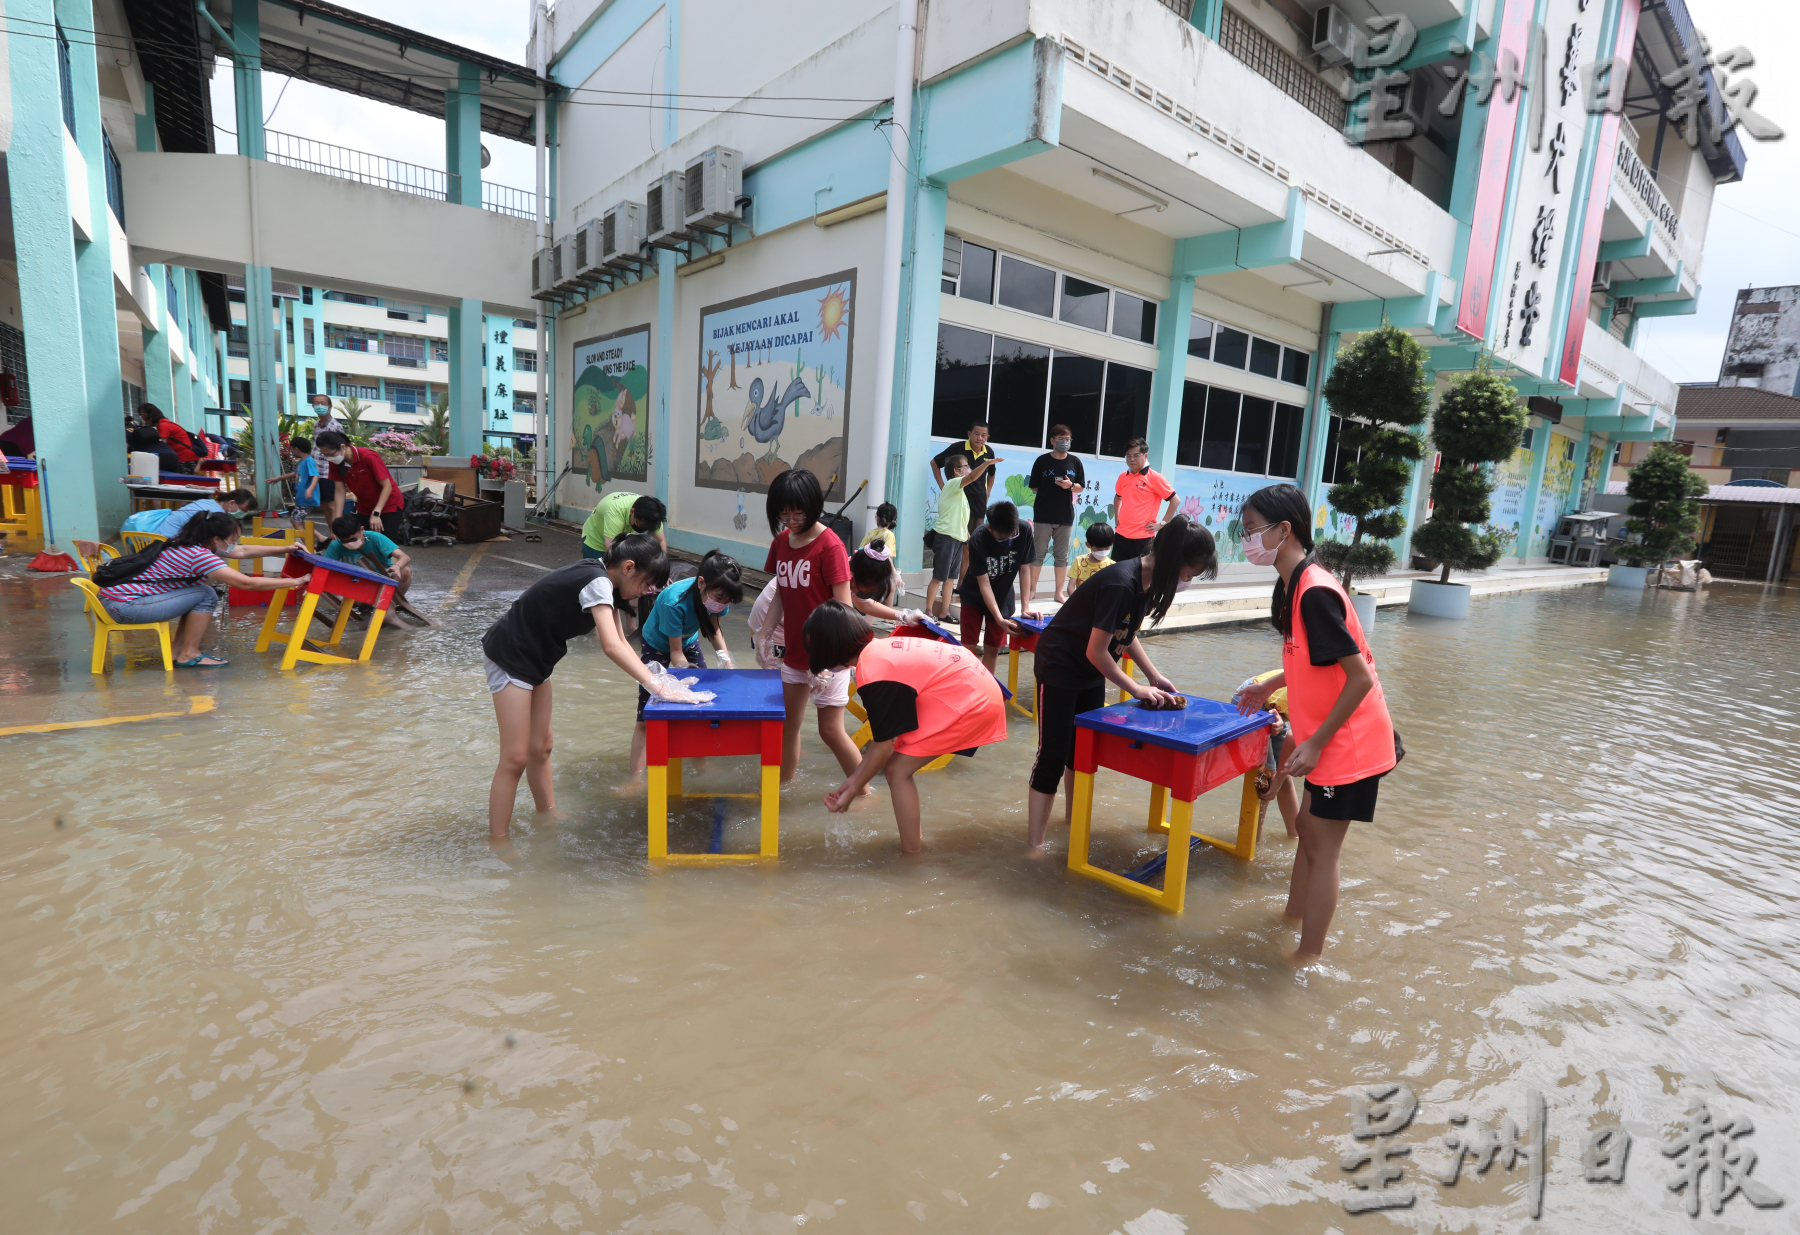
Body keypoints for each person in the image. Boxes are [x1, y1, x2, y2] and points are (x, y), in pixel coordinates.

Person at [1232, 483, 1396, 965]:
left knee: (1323, 847)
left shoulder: (1315, 591)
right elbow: (1313, 660)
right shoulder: (1293, 585)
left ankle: (1307, 955)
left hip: (1348, 743)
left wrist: (1318, 743)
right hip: (1326, 737)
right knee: (1306, 826)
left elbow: (1360, 678)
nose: (1246, 540)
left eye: (1252, 531)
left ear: (1284, 531)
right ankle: (1291, 917)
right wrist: (1269, 687)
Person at [1025, 516, 1219, 850]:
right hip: (1060, 666)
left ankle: (1071, 823)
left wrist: (1153, 675)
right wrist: (1137, 689)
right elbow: (1097, 650)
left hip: (1090, 671)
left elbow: (1124, 634)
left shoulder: (1145, 583)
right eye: (1187, 575)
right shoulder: (1120, 582)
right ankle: (1034, 847)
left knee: (1080, 752)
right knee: (1052, 756)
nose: (1186, 582)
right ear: (1173, 561)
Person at [481, 534, 671, 839]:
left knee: (542, 747)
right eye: (647, 582)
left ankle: (548, 814)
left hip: (537, 657)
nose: (648, 591)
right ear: (629, 567)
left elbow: (622, 642)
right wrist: (658, 688)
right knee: (515, 757)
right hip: (511, 654)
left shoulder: (605, 582)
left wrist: (659, 681)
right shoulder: (595, 581)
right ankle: (498, 841)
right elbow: (610, 646)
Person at [809, 602, 1009, 853]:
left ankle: (912, 854)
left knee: (896, 769)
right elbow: (885, 740)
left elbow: (882, 747)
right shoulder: (878, 650)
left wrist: (850, 794)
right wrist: (854, 781)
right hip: (973, 687)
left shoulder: (871, 671)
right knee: (897, 763)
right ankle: (914, 844)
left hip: (971, 698)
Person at [96, 510, 309, 666]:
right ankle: (189, 654)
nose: (235, 544)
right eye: (232, 540)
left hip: (114, 601)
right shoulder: (199, 555)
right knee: (205, 593)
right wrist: (297, 581)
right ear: (216, 539)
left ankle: (177, 652)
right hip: (124, 607)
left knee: (200, 588)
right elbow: (247, 582)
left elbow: (241, 551)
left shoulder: (187, 542)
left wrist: (285, 548)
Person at [762, 468, 863, 788]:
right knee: (787, 725)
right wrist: (763, 635)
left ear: (813, 505)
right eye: (783, 513)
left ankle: (863, 792)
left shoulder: (830, 546)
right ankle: (784, 788)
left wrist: (831, 665)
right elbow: (780, 592)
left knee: (830, 730)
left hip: (829, 659)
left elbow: (844, 609)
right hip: (793, 653)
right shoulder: (780, 543)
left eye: (797, 512)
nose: (790, 520)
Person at [626, 549, 745, 778]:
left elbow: (714, 630)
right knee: (647, 715)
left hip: (688, 640)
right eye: (720, 599)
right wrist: (684, 669)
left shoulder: (720, 595)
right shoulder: (674, 601)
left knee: (702, 704)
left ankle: (699, 764)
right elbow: (675, 653)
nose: (723, 604)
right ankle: (635, 778)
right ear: (701, 583)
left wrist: (727, 661)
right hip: (657, 645)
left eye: (728, 601)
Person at [957, 500, 1038, 676]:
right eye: (1001, 537)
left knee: (993, 649)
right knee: (968, 647)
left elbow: (1024, 570)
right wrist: (999, 618)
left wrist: (1025, 608)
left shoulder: (1024, 531)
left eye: (1011, 535)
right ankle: (968, 687)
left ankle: (987, 691)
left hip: (1002, 596)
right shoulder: (978, 538)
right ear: (989, 528)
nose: (1008, 541)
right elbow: (983, 583)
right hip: (974, 596)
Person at [926, 452, 994, 619]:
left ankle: (944, 612)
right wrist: (986, 464)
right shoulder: (953, 484)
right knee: (939, 577)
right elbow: (971, 478)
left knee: (950, 578)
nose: (969, 469)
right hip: (946, 537)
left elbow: (959, 518)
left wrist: (967, 535)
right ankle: (928, 611)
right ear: (956, 471)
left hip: (957, 538)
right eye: (966, 466)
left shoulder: (960, 493)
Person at [1025, 426, 1085, 603]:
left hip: (1065, 516)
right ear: (1052, 440)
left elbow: (1081, 486)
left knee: (1062, 556)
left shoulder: (1075, 461)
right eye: (1061, 438)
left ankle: (1059, 593)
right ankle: (1032, 590)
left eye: (1068, 439)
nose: (1064, 442)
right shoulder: (1042, 461)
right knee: (1038, 553)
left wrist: (1070, 486)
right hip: (1043, 514)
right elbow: (1034, 486)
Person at [314, 430, 403, 534]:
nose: (329, 458)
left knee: (385, 544)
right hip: (364, 506)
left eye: (331, 454)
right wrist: (337, 520)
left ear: (343, 447)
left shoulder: (367, 456)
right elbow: (339, 491)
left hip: (388, 504)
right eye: (326, 455)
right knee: (363, 542)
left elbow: (387, 486)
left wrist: (376, 513)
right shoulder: (335, 462)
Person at [1111, 438, 1179, 562]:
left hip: (1143, 538)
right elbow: (1118, 497)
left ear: (1145, 455)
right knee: (1117, 574)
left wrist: (1162, 524)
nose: (1132, 459)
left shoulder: (1155, 477)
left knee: (1140, 577)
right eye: (1128, 456)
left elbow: (1175, 501)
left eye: (1136, 455)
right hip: (1121, 535)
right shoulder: (1123, 476)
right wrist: (1117, 517)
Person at [322, 514, 413, 596]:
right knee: (357, 603)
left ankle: (393, 602)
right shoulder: (336, 545)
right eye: (344, 541)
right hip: (357, 582)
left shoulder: (376, 538)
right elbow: (324, 566)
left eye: (353, 539)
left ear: (361, 530)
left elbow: (405, 557)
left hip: (382, 579)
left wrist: (397, 565)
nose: (349, 543)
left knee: (405, 571)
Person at [122, 489, 258, 539]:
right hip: (161, 546)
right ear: (232, 503)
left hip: (146, 537)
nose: (243, 514)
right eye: (243, 509)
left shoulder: (208, 502)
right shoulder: (215, 515)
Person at [581, 491, 668, 559]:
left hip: (619, 536)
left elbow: (661, 541)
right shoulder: (615, 512)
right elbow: (611, 552)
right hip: (596, 542)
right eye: (641, 525)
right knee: (597, 577)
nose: (643, 529)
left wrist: (663, 572)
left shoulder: (653, 514)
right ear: (632, 512)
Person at [137, 405, 198, 471]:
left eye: (142, 414)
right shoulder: (164, 423)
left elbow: (161, 445)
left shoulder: (163, 425)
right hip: (186, 457)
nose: (142, 417)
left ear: (150, 414)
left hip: (185, 458)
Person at [1068, 522, 1115, 589]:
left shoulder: (1113, 566)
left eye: (1107, 548)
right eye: (1099, 549)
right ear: (1088, 545)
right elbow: (1071, 587)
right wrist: (1075, 599)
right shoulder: (1079, 561)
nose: (1103, 552)